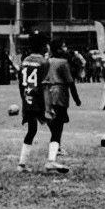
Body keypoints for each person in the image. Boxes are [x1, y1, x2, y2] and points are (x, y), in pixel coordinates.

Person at [16, 33, 67, 173]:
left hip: (27, 99)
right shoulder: (45, 63)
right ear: (45, 46)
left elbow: (21, 84)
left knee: (31, 130)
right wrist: (48, 107)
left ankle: (22, 164)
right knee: (56, 128)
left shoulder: (25, 61)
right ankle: (51, 161)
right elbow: (45, 86)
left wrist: (24, 100)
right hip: (39, 100)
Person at [46, 39, 81, 157]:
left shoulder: (47, 61)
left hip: (47, 93)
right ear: (59, 49)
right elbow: (70, 81)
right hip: (59, 94)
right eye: (64, 46)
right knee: (59, 122)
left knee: (52, 119)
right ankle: (56, 145)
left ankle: (55, 144)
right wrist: (76, 98)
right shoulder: (63, 62)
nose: (66, 48)